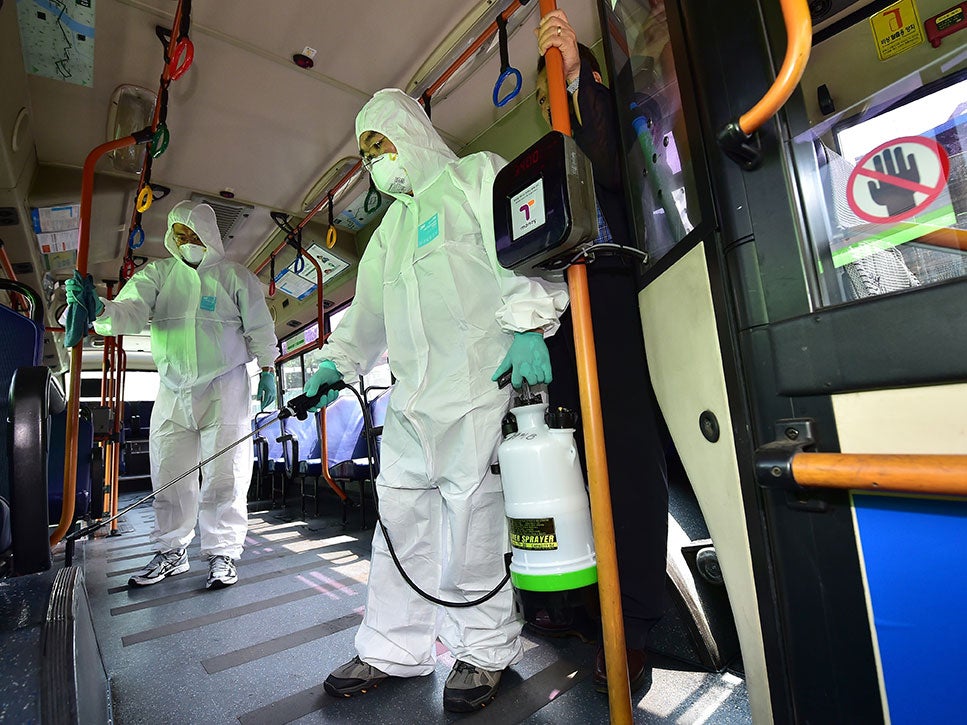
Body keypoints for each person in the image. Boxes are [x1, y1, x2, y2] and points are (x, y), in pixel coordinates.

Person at [304, 89, 568, 713]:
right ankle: (394, 648)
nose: (376, 162)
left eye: (382, 145)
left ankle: (482, 651)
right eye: (366, 154)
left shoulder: (475, 178)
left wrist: (529, 323)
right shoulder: (386, 237)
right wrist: (333, 366)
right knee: (400, 523)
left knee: (475, 525)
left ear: (412, 134)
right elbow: (364, 321)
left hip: (481, 388)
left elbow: (523, 250)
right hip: (411, 405)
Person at [533, 9, 670, 696]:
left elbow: (618, 170)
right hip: (562, 309)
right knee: (571, 467)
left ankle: (636, 623)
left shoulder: (617, 121)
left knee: (624, 465)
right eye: (546, 89)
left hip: (613, 291)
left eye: (557, 81)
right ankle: (587, 605)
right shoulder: (545, 157)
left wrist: (582, 79)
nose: (548, 97)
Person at [64, 201, 278, 589]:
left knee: (225, 475)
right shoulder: (159, 274)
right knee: (168, 474)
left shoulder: (235, 277)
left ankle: (222, 554)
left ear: (210, 236)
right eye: (179, 235)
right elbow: (128, 310)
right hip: (174, 387)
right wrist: (101, 309)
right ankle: (171, 551)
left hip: (225, 385)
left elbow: (260, 328)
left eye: (193, 235)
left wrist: (268, 367)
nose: (186, 242)